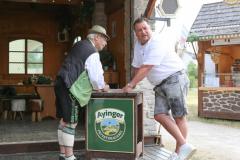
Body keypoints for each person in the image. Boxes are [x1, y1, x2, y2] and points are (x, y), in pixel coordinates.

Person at [122, 17, 196, 160]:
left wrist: (131, 85)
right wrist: (130, 82)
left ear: (150, 29)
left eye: (145, 28)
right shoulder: (138, 45)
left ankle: (179, 153)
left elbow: (147, 67)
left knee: (179, 116)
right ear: (135, 33)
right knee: (159, 115)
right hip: (160, 84)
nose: (143, 32)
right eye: (139, 30)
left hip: (175, 77)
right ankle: (184, 145)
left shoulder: (157, 41)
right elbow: (136, 67)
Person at [54, 25, 110, 160]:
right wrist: (103, 86)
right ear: (97, 37)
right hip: (71, 88)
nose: (105, 43)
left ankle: (63, 154)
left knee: (63, 121)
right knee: (70, 123)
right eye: (104, 39)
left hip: (61, 83)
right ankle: (69, 157)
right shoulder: (92, 52)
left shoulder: (79, 45)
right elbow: (96, 78)